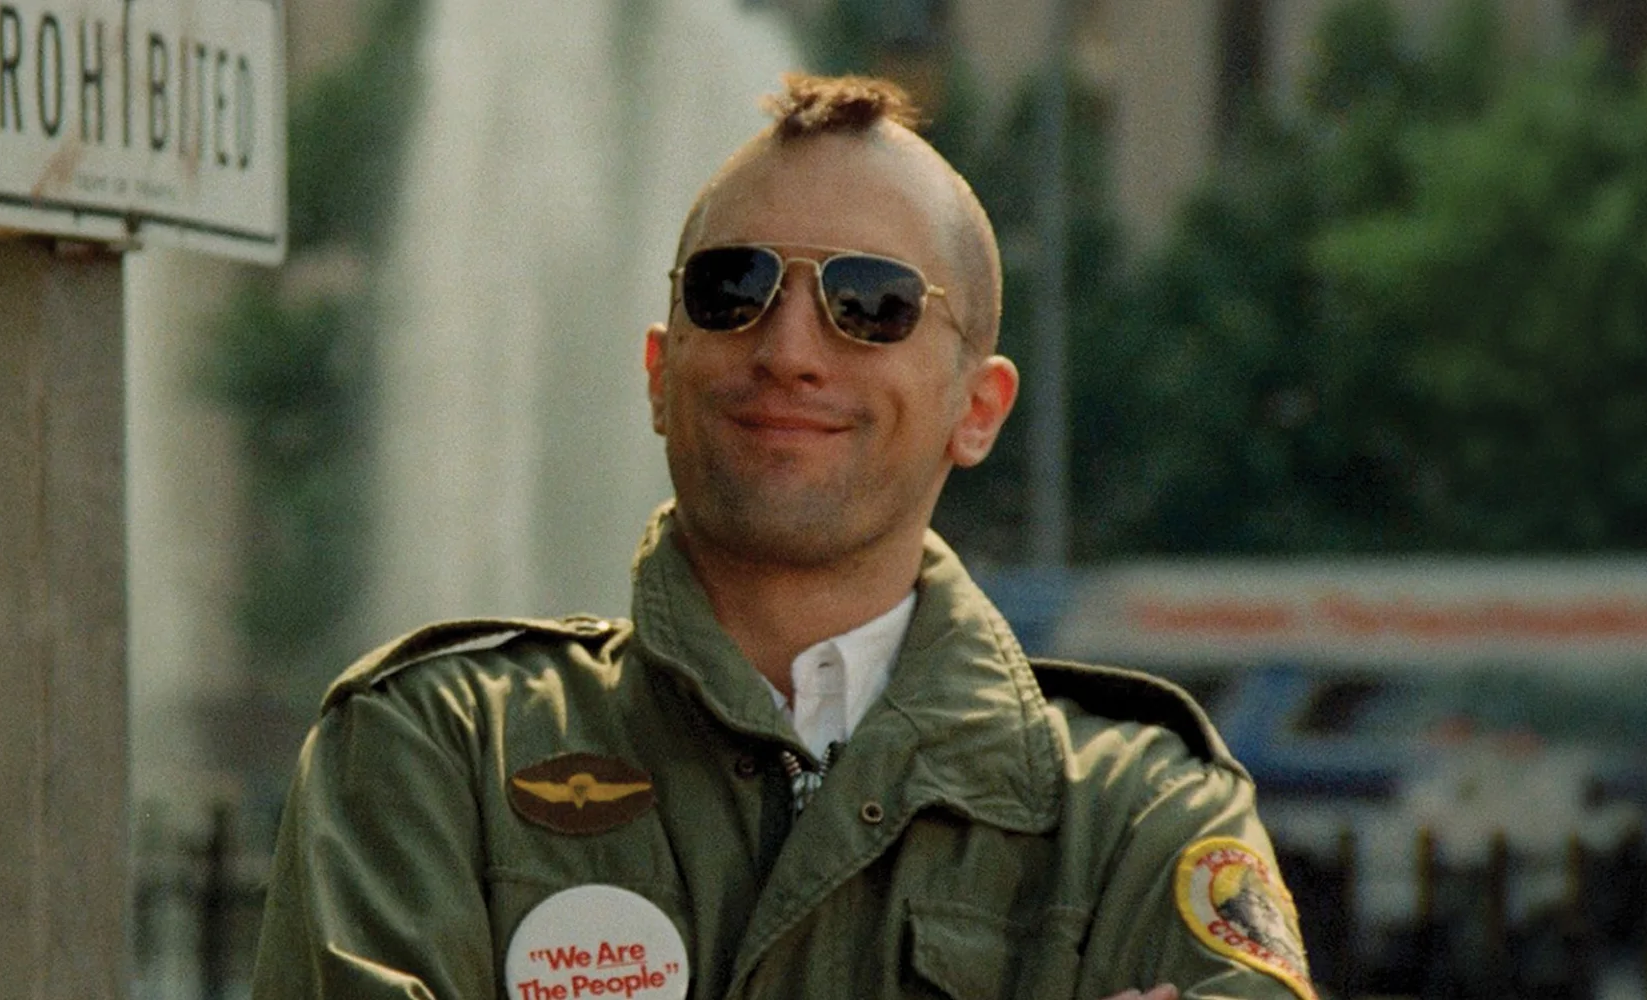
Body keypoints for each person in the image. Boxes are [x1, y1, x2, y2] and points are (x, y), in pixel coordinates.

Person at [251, 74, 1316, 1000]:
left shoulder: (1139, 812)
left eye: (872, 302)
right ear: (660, 372)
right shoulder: (436, 749)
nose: (790, 348)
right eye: (733, 289)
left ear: (978, 408)